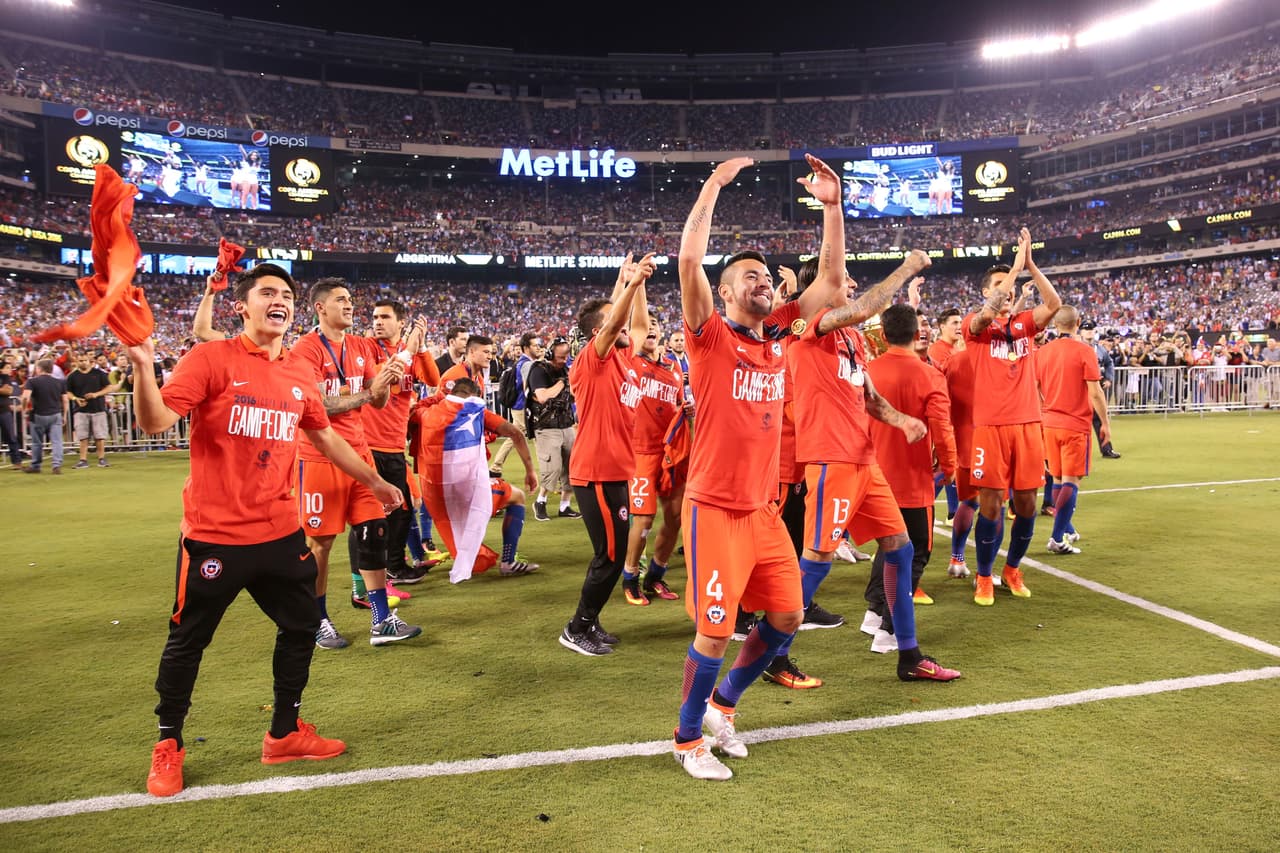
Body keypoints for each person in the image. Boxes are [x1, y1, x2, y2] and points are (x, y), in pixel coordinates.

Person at [130, 263, 403, 797]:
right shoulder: (210, 358)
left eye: (286, 295)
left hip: (280, 533)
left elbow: (325, 439)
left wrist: (376, 481)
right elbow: (156, 421)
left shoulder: (300, 371)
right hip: (215, 535)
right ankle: (168, 745)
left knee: (302, 628)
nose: (279, 300)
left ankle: (283, 733)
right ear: (243, 307)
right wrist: (143, 366)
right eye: (267, 293)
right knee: (188, 642)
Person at [668, 154, 848, 781]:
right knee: (714, 632)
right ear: (725, 291)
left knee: (787, 617)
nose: (764, 281)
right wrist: (714, 186)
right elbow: (689, 260)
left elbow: (830, 285)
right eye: (750, 274)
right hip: (715, 507)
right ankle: (687, 739)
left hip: (764, 510)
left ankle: (723, 708)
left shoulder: (778, 333)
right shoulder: (708, 335)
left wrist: (832, 206)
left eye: (767, 275)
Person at [782, 254, 958, 682]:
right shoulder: (807, 326)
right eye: (845, 280)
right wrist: (907, 269)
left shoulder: (852, 341)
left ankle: (908, 654)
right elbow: (864, 308)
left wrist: (903, 421)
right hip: (829, 458)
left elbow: (869, 397)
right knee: (817, 560)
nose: (853, 284)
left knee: (900, 546)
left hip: (863, 457)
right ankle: (773, 652)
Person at [291, 278, 420, 649]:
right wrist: (366, 392)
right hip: (319, 458)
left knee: (373, 531)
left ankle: (382, 621)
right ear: (320, 307)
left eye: (350, 299)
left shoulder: (362, 346)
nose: (349, 306)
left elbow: (376, 402)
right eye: (340, 300)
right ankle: (317, 621)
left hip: (360, 453)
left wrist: (383, 384)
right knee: (321, 544)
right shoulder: (306, 349)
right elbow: (318, 406)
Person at [557, 252, 654, 655]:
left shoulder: (624, 361)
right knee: (611, 555)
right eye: (616, 319)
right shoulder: (591, 361)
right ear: (602, 330)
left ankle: (590, 622)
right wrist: (629, 286)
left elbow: (638, 323)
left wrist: (638, 283)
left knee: (613, 554)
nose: (628, 324)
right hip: (596, 472)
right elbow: (616, 322)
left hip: (617, 470)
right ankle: (576, 628)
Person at [963, 229, 1063, 606]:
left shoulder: (1024, 324)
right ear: (987, 292)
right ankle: (984, 575)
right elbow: (988, 313)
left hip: (1027, 425)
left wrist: (1031, 265)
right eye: (998, 285)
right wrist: (1015, 267)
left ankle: (1013, 568)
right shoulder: (978, 324)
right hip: (990, 427)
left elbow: (1054, 302)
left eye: (1009, 284)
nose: (1005, 290)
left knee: (1027, 505)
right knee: (990, 505)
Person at [862, 303, 959, 656]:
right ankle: (888, 629)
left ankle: (873, 611)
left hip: (873, 474)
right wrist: (949, 468)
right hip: (913, 478)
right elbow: (942, 430)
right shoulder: (929, 375)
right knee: (917, 550)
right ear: (918, 334)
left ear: (883, 335)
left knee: (888, 543)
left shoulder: (867, 370)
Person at [412, 377, 540, 580]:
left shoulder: (426, 413)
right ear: (474, 396)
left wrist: (430, 400)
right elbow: (515, 433)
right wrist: (530, 470)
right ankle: (508, 561)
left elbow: (409, 412)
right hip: (467, 491)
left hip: (434, 494)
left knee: (411, 510)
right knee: (517, 496)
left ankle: (416, 555)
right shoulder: (477, 412)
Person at [351, 302, 440, 587]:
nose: (377, 322)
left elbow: (433, 379)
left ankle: (395, 567)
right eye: (375, 316)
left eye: (385, 317)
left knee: (401, 511)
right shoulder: (367, 347)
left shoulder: (410, 350)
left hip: (394, 444)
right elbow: (383, 377)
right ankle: (365, 583)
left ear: (401, 322)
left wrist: (421, 346)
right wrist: (410, 350)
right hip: (368, 444)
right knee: (370, 516)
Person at [621, 312, 688, 606]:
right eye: (644, 326)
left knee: (675, 518)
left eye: (655, 325)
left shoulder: (674, 368)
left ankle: (656, 574)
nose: (650, 329)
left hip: (670, 453)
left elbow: (675, 405)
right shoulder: (628, 362)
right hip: (640, 454)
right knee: (644, 519)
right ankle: (630, 576)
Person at [1035, 306, 1112, 555]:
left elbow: (1034, 388)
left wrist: (1044, 409)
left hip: (1050, 423)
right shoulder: (1084, 351)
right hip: (1075, 425)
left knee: (1057, 479)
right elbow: (1096, 392)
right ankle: (1057, 537)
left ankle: (1066, 528)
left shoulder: (1042, 352)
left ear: (1055, 325)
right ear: (1078, 322)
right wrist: (1106, 424)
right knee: (1071, 480)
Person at [526, 338, 579, 520]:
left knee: (572, 466)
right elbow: (542, 396)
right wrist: (563, 382)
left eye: (566, 357)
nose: (564, 360)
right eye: (560, 357)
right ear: (550, 354)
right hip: (546, 426)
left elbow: (573, 395)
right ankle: (540, 502)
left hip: (566, 424)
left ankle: (565, 505)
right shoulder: (538, 371)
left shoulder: (565, 369)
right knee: (553, 467)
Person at [490, 332, 543, 475]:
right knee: (539, 435)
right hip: (523, 407)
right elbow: (528, 387)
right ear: (526, 347)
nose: (538, 348)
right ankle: (548, 471)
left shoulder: (522, 363)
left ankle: (496, 467)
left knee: (515, 436)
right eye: (535, 345)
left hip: (519, 406)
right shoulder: (526, 364)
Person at [65, 351, 118, 468]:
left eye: (84, 360)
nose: (83, 363)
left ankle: (102, 458)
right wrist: (76, 399)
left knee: (100, 436)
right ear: (77, 361)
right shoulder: (72, 376)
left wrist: (96, 394)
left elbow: (109, 387)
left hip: (98, 408)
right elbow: (68, 392)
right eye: (80, 360)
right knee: (83, 437)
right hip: (80, 410)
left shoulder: (99, 374)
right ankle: (83, 460)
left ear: (90, 361)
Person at [1080, 321, 1121, 458]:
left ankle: (1106, 449)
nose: (1089, 332)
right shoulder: (1077, 347)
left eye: (1092, 329)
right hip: (1079, 388)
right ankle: (1079, 451)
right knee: (1079, 421)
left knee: (1099, 419)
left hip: (1095, 385)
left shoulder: (1100, 349)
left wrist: (1109, 378)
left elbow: (1109, 363)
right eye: (1086, 330)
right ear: (1081, 332)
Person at [21, 358, 67, 474]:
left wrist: (24, 409)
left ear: (39, 368)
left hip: (38, 414)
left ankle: (36, 465)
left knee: (37, 442)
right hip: (55, 413)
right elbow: (65, 400)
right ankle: (56, 465)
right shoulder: (60, 382)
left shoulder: (32, 381)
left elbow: (26, 397)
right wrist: (65, 414)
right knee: (57, 441)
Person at [0, 354, 22, 469]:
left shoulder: (6, 378)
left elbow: (8, 391)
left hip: (3, 410)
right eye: (7, 368)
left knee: (10, 436)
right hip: (4, 410)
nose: (9, 370)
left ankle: (17, 461)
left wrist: (3, 390)